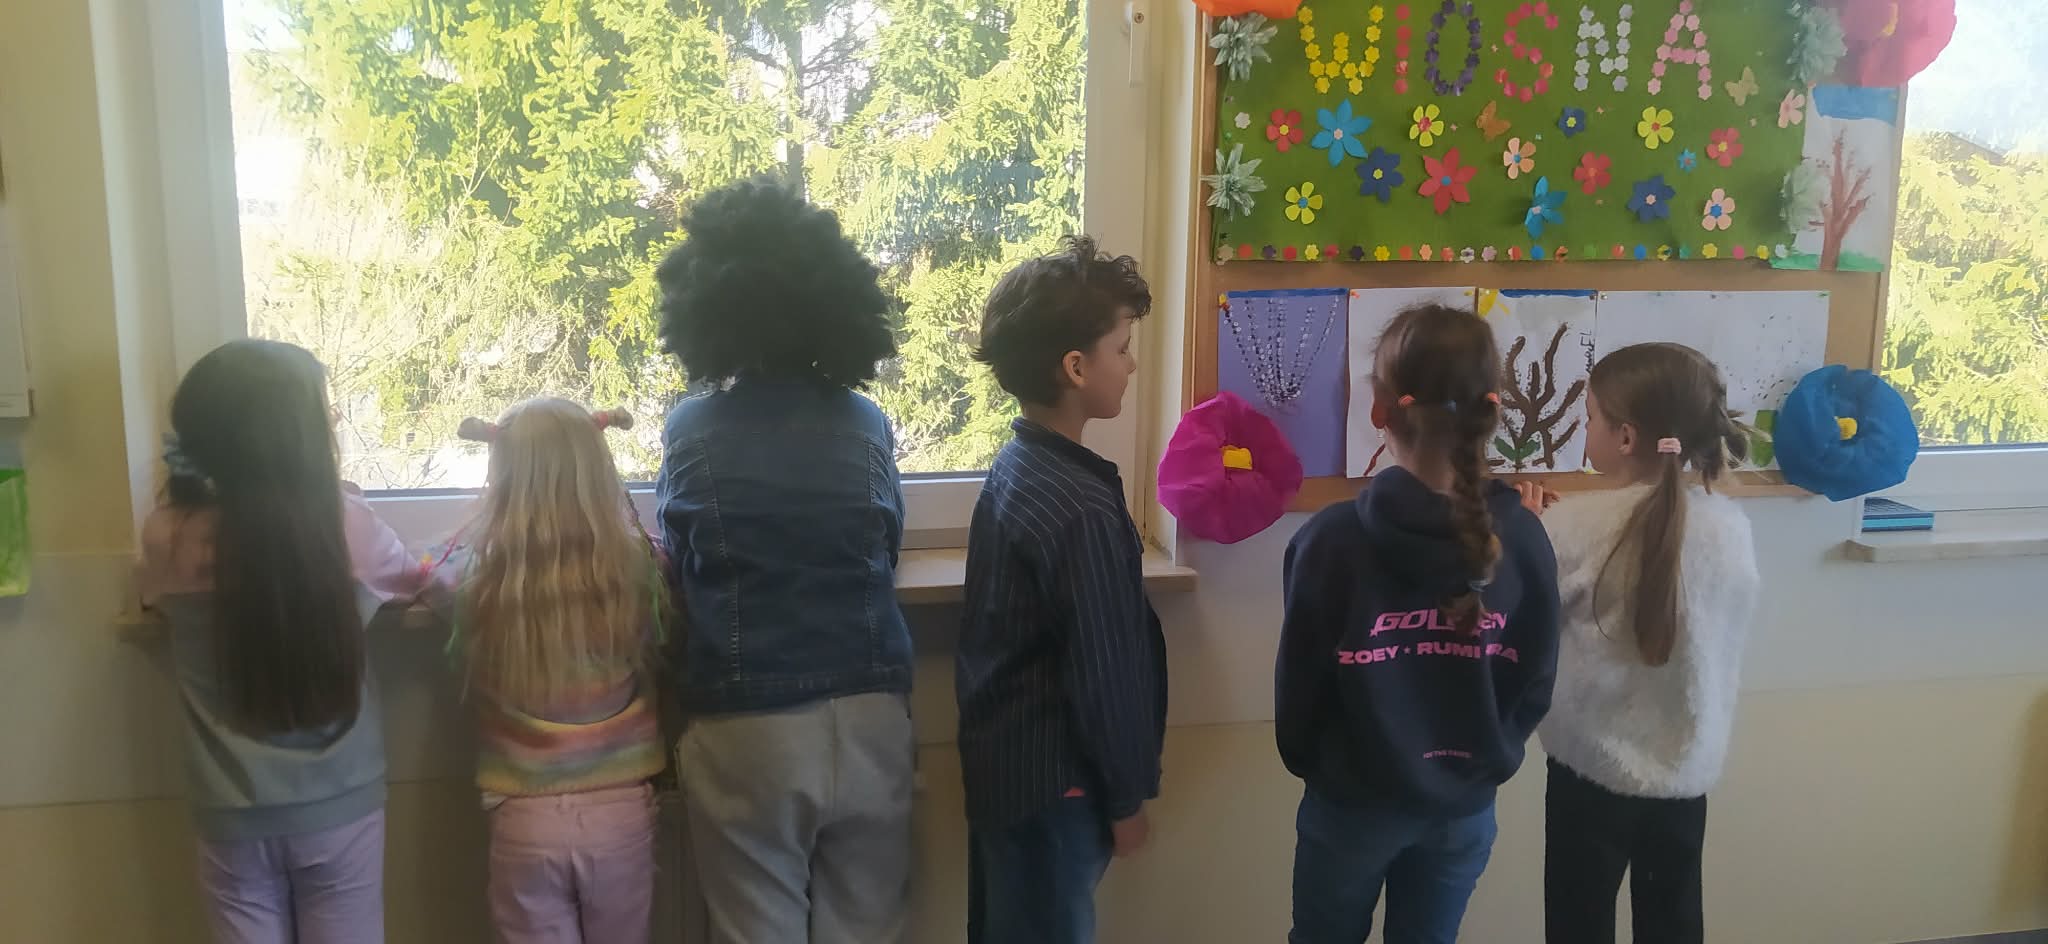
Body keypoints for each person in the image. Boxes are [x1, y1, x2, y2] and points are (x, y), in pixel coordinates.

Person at [654, 177, 913, 944]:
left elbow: (682, 560)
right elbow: (888, 544)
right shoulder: (865, 422)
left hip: (748, 725)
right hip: (870, 714)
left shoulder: (692, 429)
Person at [1276, 304, 1561, 944]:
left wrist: (1327, 768)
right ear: (1493, 408)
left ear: (1381, 410)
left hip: (1351, 806)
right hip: (1462, 806)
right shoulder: (1524, 538)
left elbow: (1299, 690)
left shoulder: (1329, 542)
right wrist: (1484, 760)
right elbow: (1536, 681)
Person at [141, 339, 425, 944]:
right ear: (298, 435)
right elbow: (413, 580)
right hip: (340, 801)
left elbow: (156, 595)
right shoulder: (344, 523)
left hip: (228, 809)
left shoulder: (168, 535)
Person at [956, 236, 1166, 944]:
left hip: (1011, 775)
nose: (1130, 364)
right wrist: (1126, 796)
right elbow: (1104, 667)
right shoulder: (1077, 505)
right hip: (1059, 786)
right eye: (1122, 348)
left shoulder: (1019, 466)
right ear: (1076, 367)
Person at [1520, 343, 1760, 944]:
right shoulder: (1729, 531)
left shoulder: (1569, 528)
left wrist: (1529, 535)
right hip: (1685, 770)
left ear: (1625, 437)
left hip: (1590, 773)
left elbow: (1527, 621)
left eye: (1591, 418)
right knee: (1674, 919)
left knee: (1577, 922)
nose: (1585, 429)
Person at [426, 399, 669, 944]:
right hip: (620, 811)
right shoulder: (638, 566)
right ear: (598, 468)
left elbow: (430, 574)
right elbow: (663, 567)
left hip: (523, 812)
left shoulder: (480, 574)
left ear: (503, 472)